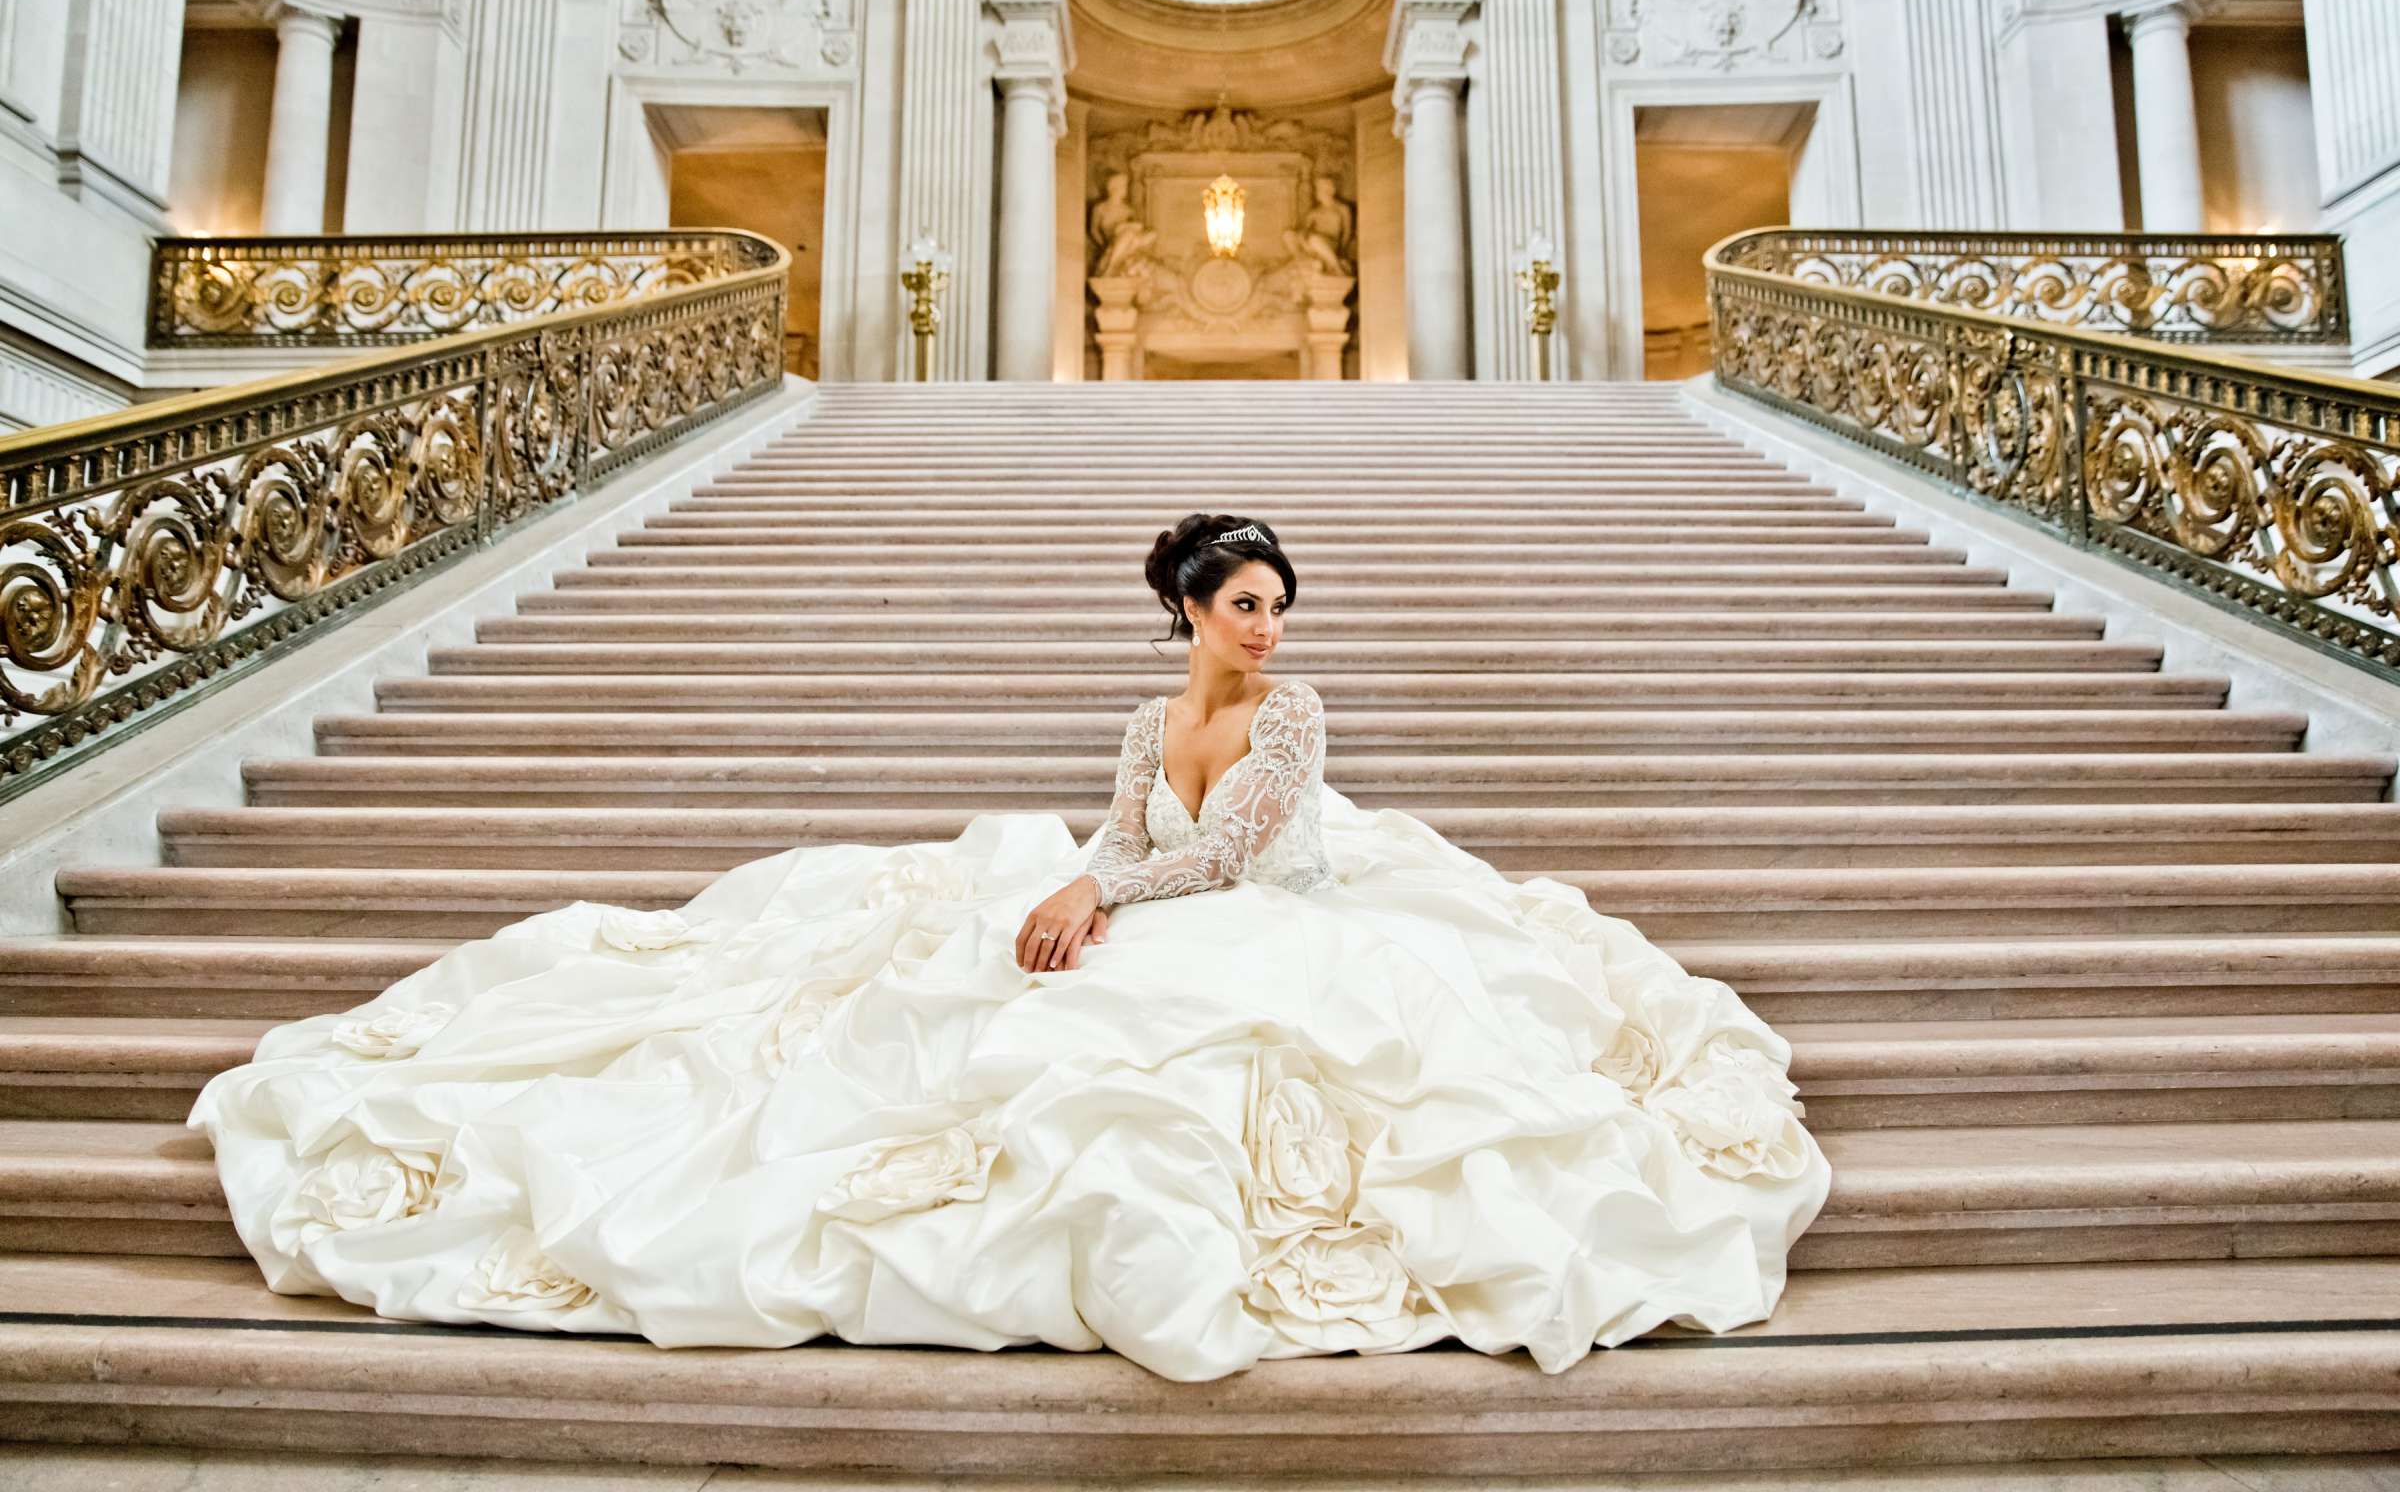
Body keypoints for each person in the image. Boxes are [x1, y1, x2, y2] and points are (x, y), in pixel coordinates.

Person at [188, 513, 1830, 1382]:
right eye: (1245, 602)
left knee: (1140, 1039)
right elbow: (1128, 822)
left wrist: (1102, 897)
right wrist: (1078, 881)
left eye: (1278, 602)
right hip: (1154, 889)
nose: (1268, 624)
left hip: (1282, 916)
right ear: (1189, 610)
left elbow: (1239, 854)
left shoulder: (1297, 713)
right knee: (895, 978)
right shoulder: (1148, 709)